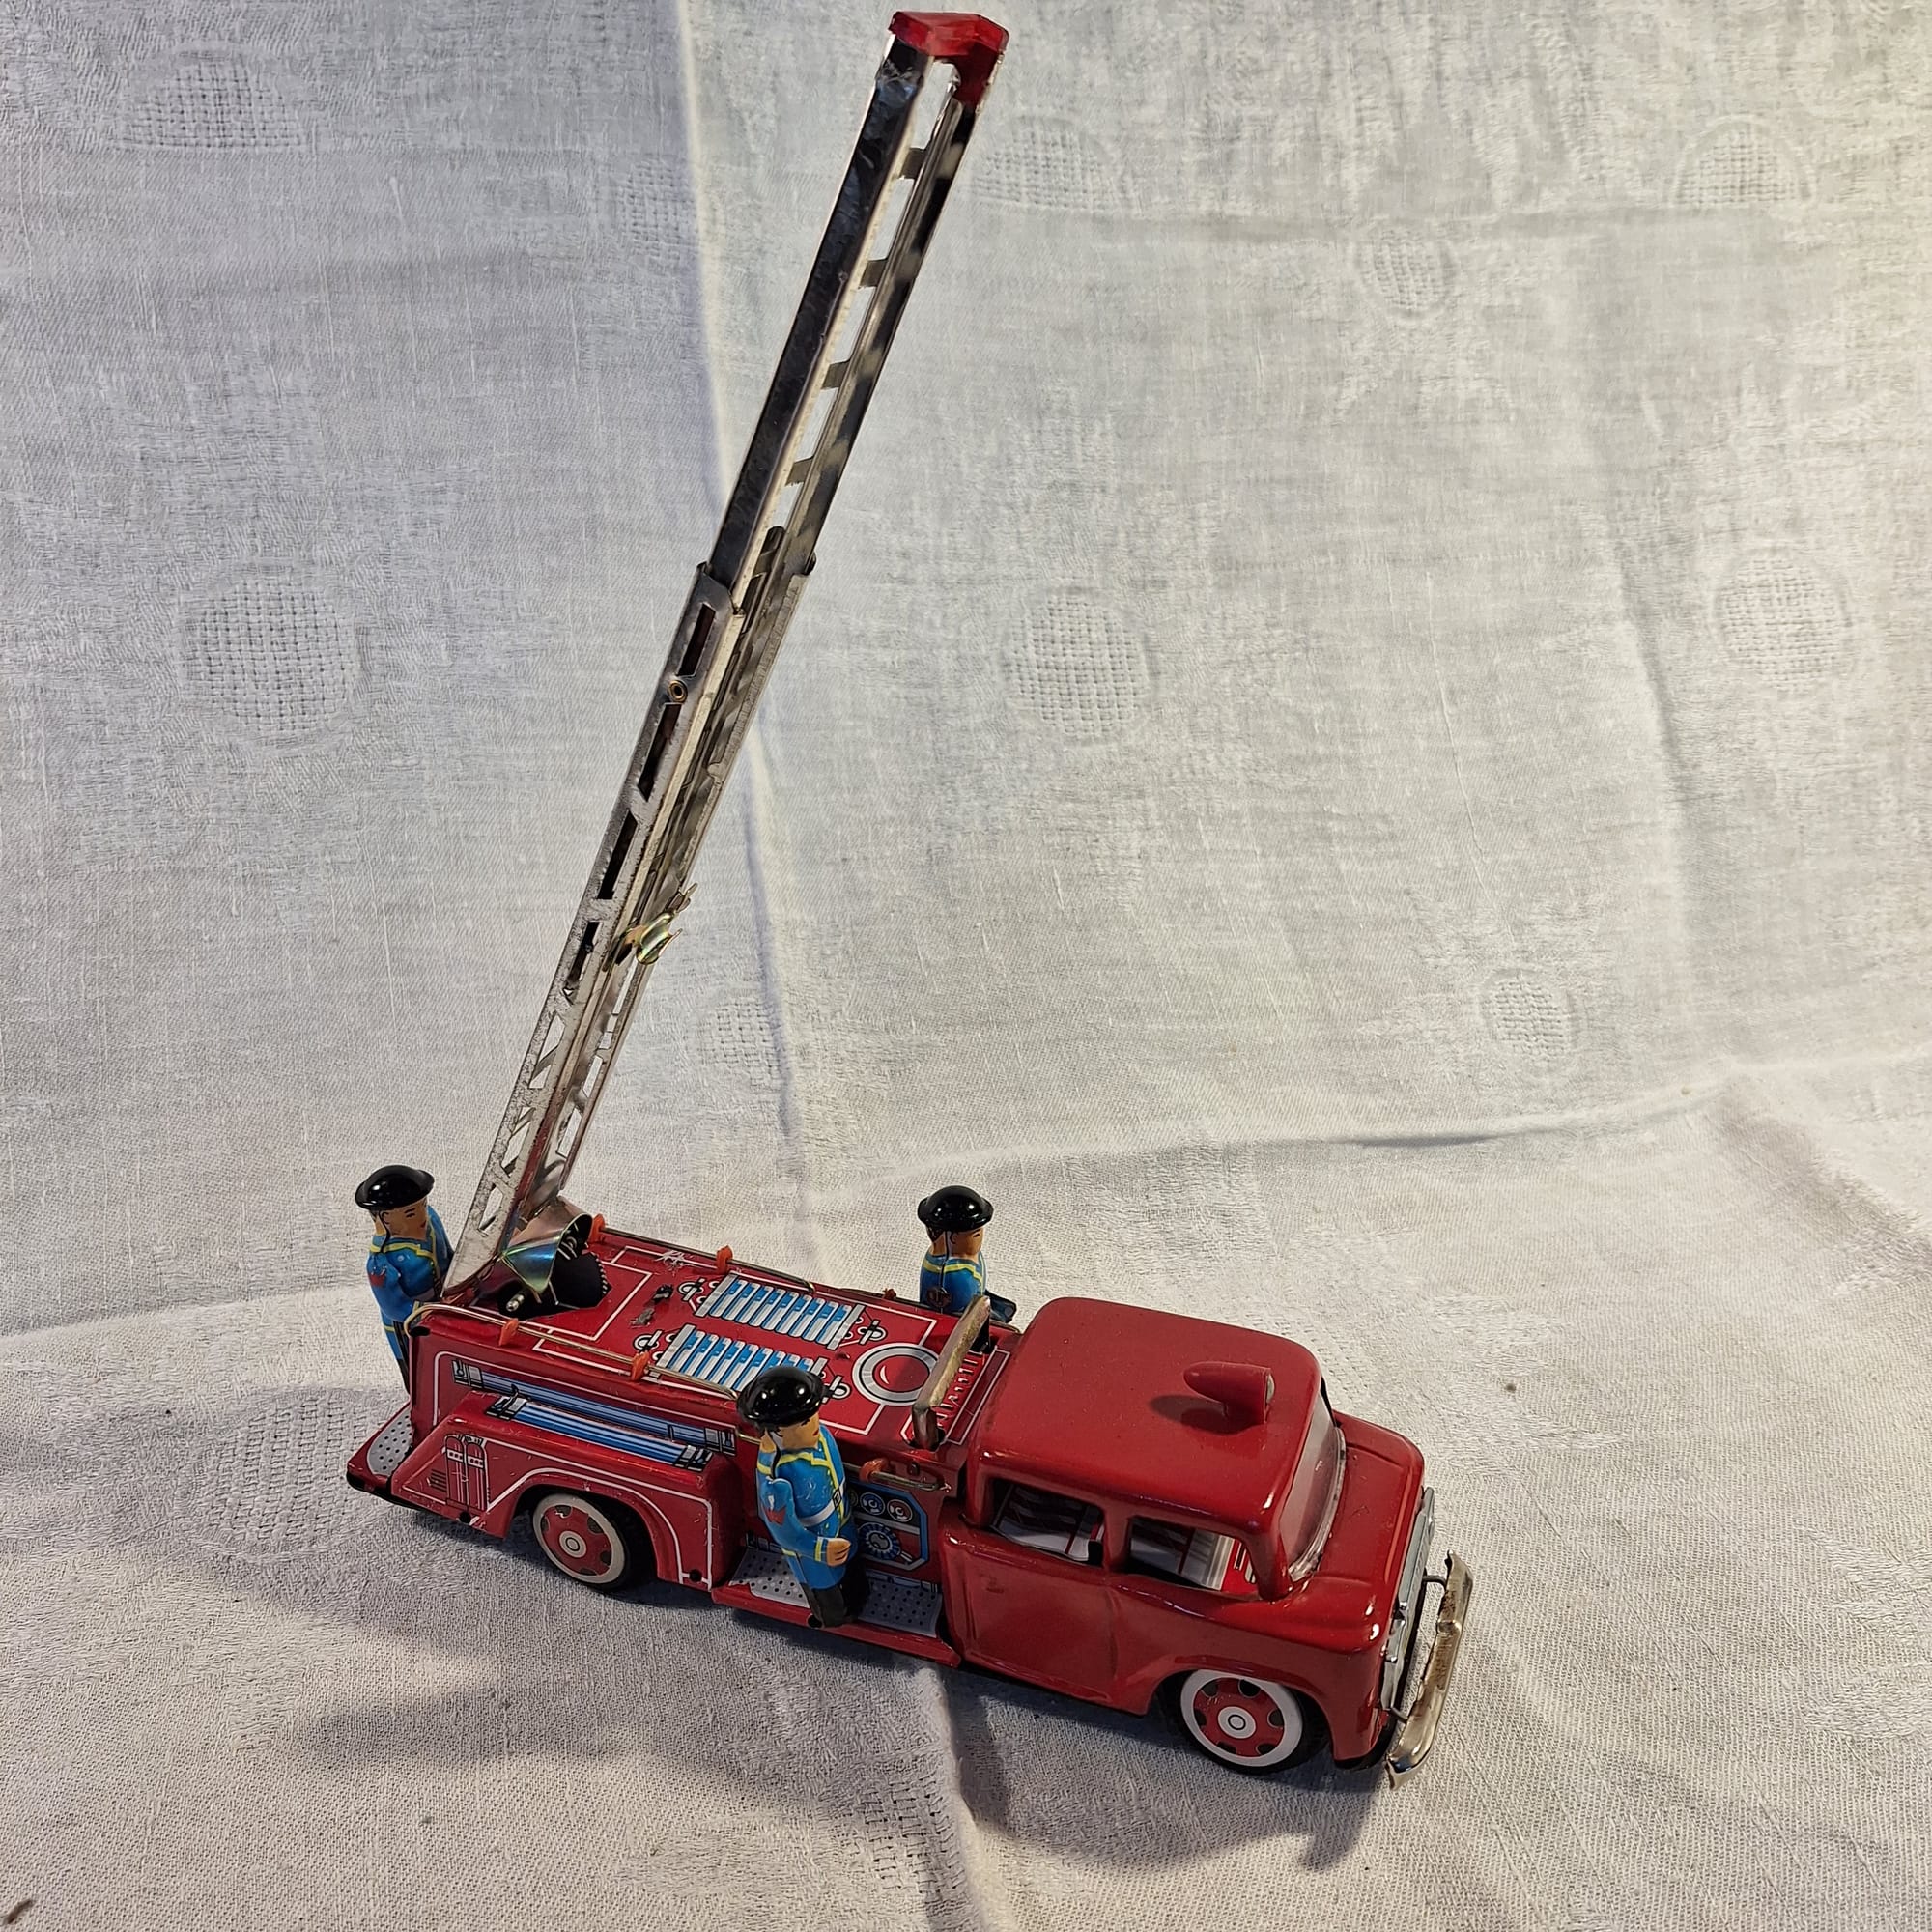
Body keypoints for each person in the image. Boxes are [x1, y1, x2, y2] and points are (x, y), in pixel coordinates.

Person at [737, 1365, 855, 1628]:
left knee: (854, 1581)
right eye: (803, 1422)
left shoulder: (821, 1437)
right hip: (815, 1551)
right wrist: (819, 1549)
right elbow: (784, 1532)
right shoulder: (777, 1479)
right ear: (775, 1430)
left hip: (843, 1526)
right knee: (834, 1602)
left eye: (813, 1415)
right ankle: (836, 1621)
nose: (813, 1424)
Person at [355, 1165, 451, 1381]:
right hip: (410, 1325)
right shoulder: (381, 1262)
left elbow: (448, 1254)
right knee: (421, 1372)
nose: (422, 1216)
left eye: (423, 1206)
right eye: (410, 1213)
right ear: (385, 1218)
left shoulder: (432, 1220)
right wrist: (429, 1314)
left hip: (447, 1303)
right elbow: (394, 1307)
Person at [917, 1184, 1016, 1325]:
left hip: (978, 1300)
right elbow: (958, 1313)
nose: (981, 1238)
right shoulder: (953, 1274)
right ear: (952, 1238)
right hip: (960, 1321)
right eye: (976, 1235)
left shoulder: (967, 1258)